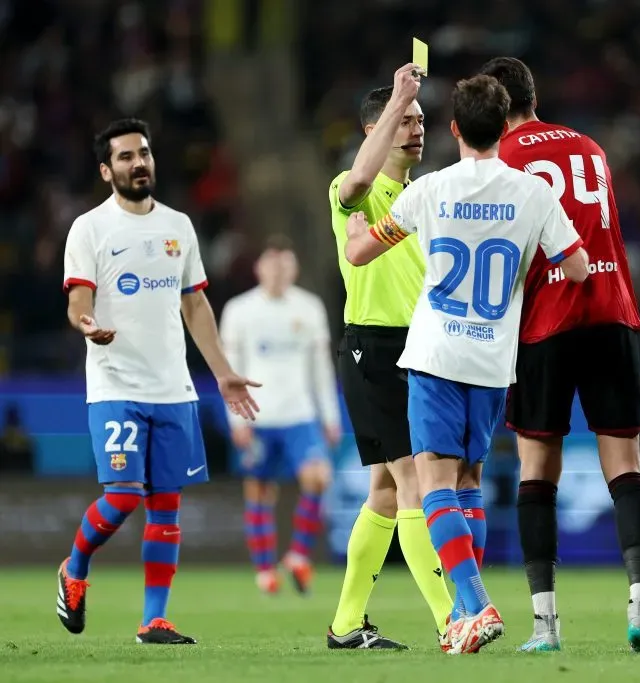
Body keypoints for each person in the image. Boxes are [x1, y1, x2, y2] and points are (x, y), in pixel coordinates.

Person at [344, 74, 589, 655]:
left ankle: (474, 602)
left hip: (434, 352)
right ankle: (460, 614)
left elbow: (361, 252)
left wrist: (356, 229)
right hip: (492, 357)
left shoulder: (429, 189)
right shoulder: (534, 194)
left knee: (432, 486)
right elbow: (576, 268)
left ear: (454, 128)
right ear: (506, 128)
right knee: (470, 482)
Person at [478, 56, 640, 653]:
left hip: (545, 323)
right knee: (626, 469)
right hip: (611, 311)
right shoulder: (590, 146)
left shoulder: (505, 158)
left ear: (498, 106)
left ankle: (545, 627)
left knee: (537, 473)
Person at [58, 118, 260, 644]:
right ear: (107, 171)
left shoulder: (178, 226)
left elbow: (195, 303)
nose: (138, 162)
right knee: (124, 495)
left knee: (167, 504)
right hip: (115, 384)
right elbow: (78, 297)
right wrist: (84, 322)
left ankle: (154, 619)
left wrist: (222, 373)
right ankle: (74, 568)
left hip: (173, 389)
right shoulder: (89, 229)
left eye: (143, 153)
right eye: (125, 157)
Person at [325, 63, 453, 650]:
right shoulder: (354, 189)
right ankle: (452, 620)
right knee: (415, 483)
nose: (416, 129)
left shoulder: (420, 196)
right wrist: (401, 93)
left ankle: (347, 624)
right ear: (375, 128)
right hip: (374, 345)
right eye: (404, 120)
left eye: (422, 120)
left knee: (383, 487)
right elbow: (355, 184)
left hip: (419, 345)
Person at [220, 234, 342, 595]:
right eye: (272, 264)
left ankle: (299, 556)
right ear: (259, 268)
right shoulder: (239, 310)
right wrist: (235, 420)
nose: (277, 272)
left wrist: (330, 416)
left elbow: (321, 367)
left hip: (300, 414)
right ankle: (264, 570)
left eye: (284, 265)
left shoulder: (309, 307)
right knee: (259, 491)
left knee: (318, 478)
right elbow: (231, 369)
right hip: (257, 416)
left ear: (294, 268)